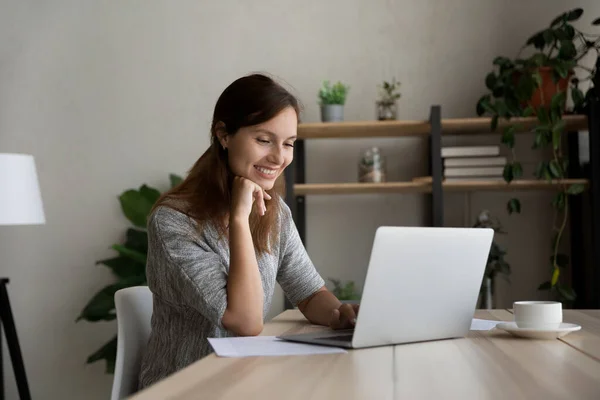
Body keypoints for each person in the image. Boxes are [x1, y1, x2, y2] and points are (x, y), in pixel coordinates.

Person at [138, 73, 359, 389]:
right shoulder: (173, 221)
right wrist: (239, 220)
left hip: (245, 379)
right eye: (264, 140)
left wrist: (338, 314)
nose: (279, 157)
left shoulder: (275, 212)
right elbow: (245, 321)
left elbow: (310, 294)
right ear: (224, 135)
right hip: (186, 386)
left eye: (288, 144)